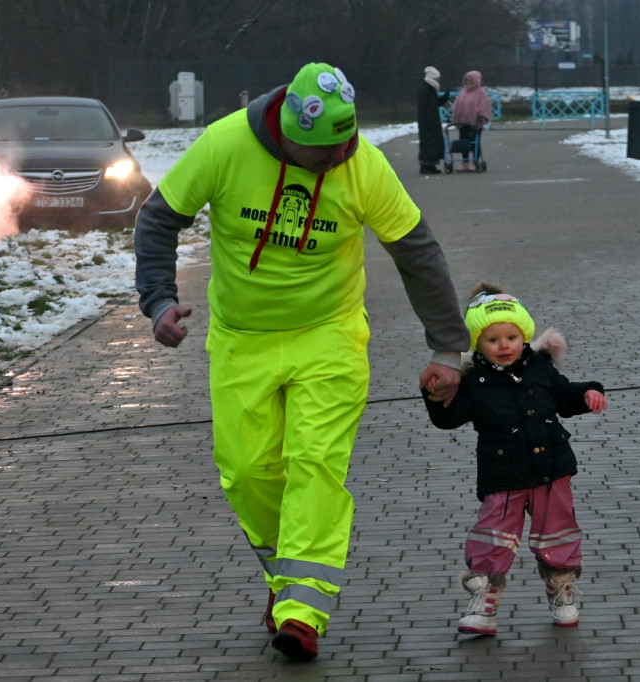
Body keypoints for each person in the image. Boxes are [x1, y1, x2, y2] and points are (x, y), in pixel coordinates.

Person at [134, 62, 470, 661]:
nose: (336, 160)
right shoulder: (225, 144)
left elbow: (415, 249)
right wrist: (157, 298)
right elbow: (159, 218)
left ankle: (302, 611)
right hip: (243, 341)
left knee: (314, 463)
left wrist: (448, 349)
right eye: (322, 154)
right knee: (247, 472)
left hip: (329, 336)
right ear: (286, 135)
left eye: (344, 146)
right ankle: (283, 580)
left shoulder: (361, 162)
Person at [421, 282, 608, 636]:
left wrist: (588, 393)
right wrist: (434, 395)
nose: (503, 346)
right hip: (502, 474)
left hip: (552, 470)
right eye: (492, 340)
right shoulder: (473, 381)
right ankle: (485, 600)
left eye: (511, 337)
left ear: (524, 335)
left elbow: (564, 396)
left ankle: (561, 587)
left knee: (557, 534)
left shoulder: (540, 367)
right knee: (493, 536)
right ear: (478, 343)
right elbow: (448, 417)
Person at [449, 70, 492, 171]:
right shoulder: (463, 92)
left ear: (476, 81)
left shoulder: (480, 93)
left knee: (474, 143)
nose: (468, 82)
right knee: (463, 144)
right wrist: (455, 117)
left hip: (475, 124)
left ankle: (475, 162)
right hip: (463, 123)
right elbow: (457, 106)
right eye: (466, 80)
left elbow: (484, 106)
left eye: (470, 80)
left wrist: (482, 117)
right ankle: (465, 164)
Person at [417, 66, 449, 175]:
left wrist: (444, 98)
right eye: (437, 79)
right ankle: (427, 166)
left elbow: (434, 103)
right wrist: (431, 119)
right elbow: (429, 106)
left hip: (428, 122)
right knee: (429, 144)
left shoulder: (428, 89)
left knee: (429, 144)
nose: (438, 81)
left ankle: (430, 165)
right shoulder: (426, 90)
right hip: (429, 123)